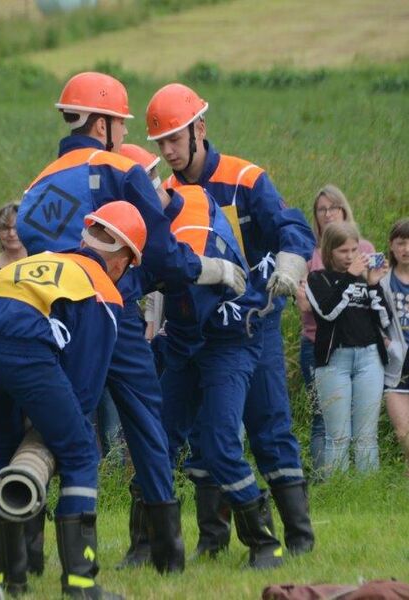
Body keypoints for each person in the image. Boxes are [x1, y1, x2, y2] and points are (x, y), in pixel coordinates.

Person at [16, 72, 246, 574]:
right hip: (110, 311)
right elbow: (161, 251)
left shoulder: (34, 186)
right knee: (146, 422)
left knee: (60, 423)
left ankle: (28, 552)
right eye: (120, 123)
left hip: (49, 315)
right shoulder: (120, 168)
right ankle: (168, 552)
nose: (123, 134)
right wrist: (205, 269)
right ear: (101, 124)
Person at [146, 83, 316, 558]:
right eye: (160, 143)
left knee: (268, 427)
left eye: (175, 139)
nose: (168, 151)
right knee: (206, 436)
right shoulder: (166, 193)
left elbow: (293, 228)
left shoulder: (246, 178)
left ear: (200, 128)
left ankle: (298, 540)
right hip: (191, 332)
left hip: (252, 326)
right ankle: (212, 541)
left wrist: (289, 264)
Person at [0, 202, 147, 599]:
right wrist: (64, 425)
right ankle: (81, 583)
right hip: (24, 342)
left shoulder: (38, 260)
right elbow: (85, 379)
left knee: (0, 452)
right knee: (80, 452)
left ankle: (10, 578)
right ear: (122, 260)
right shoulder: (102, 287)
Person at [120, 143, 286, 569]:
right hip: (184, 340)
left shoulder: (193, 211)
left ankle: (265, 542)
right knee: (156, 440)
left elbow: (183, 288)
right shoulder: (145, 224)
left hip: (228, 342)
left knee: (218, 442)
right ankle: (145, 546)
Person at [296, 185, 375, 475]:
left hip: (360, 343)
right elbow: (304, 305)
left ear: (344, 210)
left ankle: (362, 484)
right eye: (321, 209)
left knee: (362, 420)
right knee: (323, 417)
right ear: (315, 217)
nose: (328, 214)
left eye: (334, 207)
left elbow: (374, 293)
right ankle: (324, 481)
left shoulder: (364, 249)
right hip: (319, 342)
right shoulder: (309, 254)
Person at [305, 221, 391, 477]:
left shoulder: (365, 280)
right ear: (329, 251)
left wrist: (374, 284)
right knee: (337, 436)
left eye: (354, 250)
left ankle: (367, 494)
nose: (351, 256)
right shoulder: (316, 278)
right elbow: (327, 311)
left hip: (369, 358)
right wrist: (350, 277)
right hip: (334, 362)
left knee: (367, 436)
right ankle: (337, 492)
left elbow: (385, 321)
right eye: (343, 251)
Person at [381, 219, 409, 472]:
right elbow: (371, 317)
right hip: (396, 365)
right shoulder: (383, 282)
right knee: (404, 433)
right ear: (392, 245)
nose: (406, 249)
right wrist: (387, 342)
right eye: (401, 243)